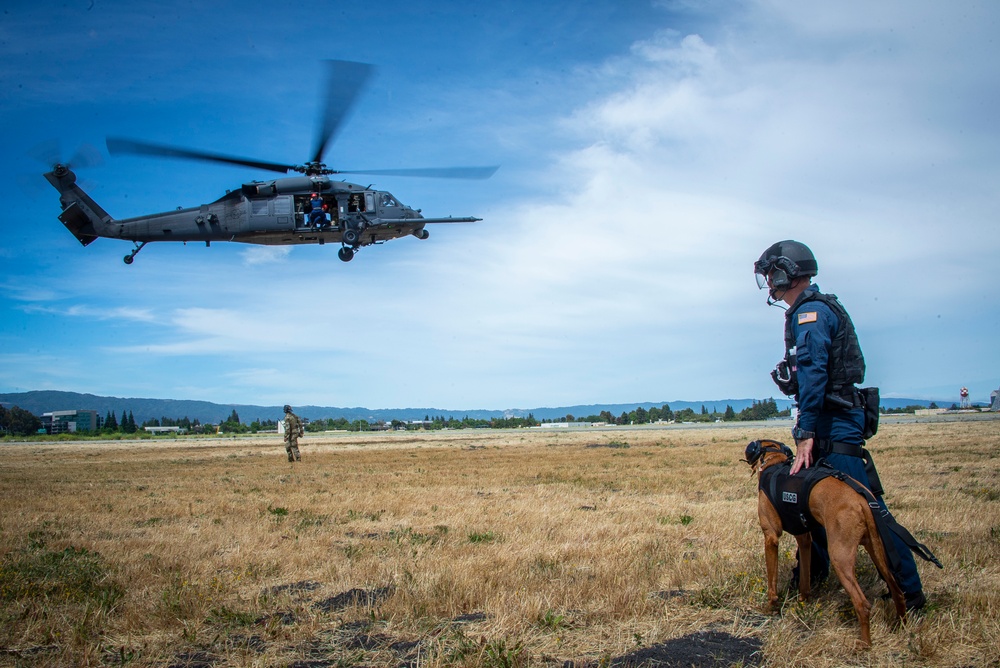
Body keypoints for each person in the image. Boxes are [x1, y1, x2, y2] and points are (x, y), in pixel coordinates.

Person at [753, 239, 926, 611]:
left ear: (786, 272)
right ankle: (812, 578)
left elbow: (815, 374)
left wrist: (805, 433)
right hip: (827, 420)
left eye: (770, 274)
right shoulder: (811, 309)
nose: (769, 282)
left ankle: (909, 595)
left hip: (832, 425)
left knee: (866, 509)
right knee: (809, 504)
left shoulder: (810, 313)